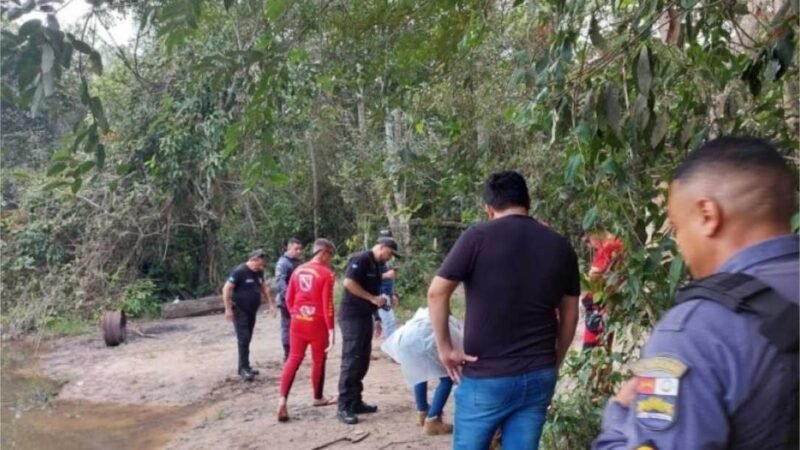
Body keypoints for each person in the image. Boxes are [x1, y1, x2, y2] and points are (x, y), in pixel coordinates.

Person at [593, 136, 798, 449]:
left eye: (676, 227)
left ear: (707, 215)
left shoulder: (697, 331)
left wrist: (619, 421)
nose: (679, 243)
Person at [428, 170, 581, 450]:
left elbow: (437, 292)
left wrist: (445, 348)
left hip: (487, 376)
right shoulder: (560, 246)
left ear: (488, 207)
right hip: (538, 375)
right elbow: (571, 314)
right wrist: (554, 360)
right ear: (528, 201)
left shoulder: (476, 237)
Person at [336, 237, 401, 425]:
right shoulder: (361, 259)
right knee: (352, 359)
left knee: (363, 359)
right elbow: (349, 283)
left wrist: (378, 315)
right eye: (390, 253)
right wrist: (372, 298)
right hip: (352, 315)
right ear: (382, 247)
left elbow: (375, 287)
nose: (390, 258)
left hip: (366, 316)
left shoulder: (378, 264)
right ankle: (344, 406)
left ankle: (356, 401)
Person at [277, 239, 338, 422]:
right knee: (318, 360)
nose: (330, 260)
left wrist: (296, 314)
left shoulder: (297, 270)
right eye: (330, 256)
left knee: (293, 358)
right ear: (324, 252)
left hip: (298, 321)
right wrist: (331, 330)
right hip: (317, 322)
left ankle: (282, 400)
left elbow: (288, 298)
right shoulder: (327, 274)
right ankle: (318, 397)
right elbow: (327, 305)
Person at [381, 308, 463, 436]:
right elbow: (456, 356)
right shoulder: (451, 327)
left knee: (419, 373)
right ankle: (433, 421)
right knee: (448, 376)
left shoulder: (426, 314)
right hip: (421, 338)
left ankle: (423, 411)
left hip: (403, 339)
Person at [222, 249, 274, 382]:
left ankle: (245, 366)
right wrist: (228, 308)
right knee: (243, 338)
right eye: (261, 264)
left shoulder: (258, 272)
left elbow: (263, 287)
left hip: (252, 310)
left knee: (248, 338)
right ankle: (244, 369)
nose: (262, 267)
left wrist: (270, 304)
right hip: (240, 310)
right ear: (254, 259)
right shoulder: (240, 271)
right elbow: (226, 288)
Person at [582, 233, 623, 350]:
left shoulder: (608, 247)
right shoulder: (618, 243)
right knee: (605, 345)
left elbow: (594, 275)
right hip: (609, 301)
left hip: (599, 303)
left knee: (592, 346)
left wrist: (588, 278)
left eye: (588, 241)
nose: (590, 245)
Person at [275, 238, 304, 361]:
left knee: (298, 325)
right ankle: (287, 354)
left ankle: (296, 351)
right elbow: (280, 280)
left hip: (299, 300)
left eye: (299, 249)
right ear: (289, 248)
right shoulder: (283, 262)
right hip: (286, 300)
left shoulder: (299, 262)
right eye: (295, 249)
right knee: (287, 326)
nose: (298, 251)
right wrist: (288, 296)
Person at [377, 229, 399, 338]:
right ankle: (389, 347)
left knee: (387, 321)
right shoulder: (374, 258)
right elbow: (368, 278)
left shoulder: (388, 258)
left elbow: (391, 278)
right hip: (377, 295)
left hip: (386, 294)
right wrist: (386, 275)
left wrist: (392, 294)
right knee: (389, 322)